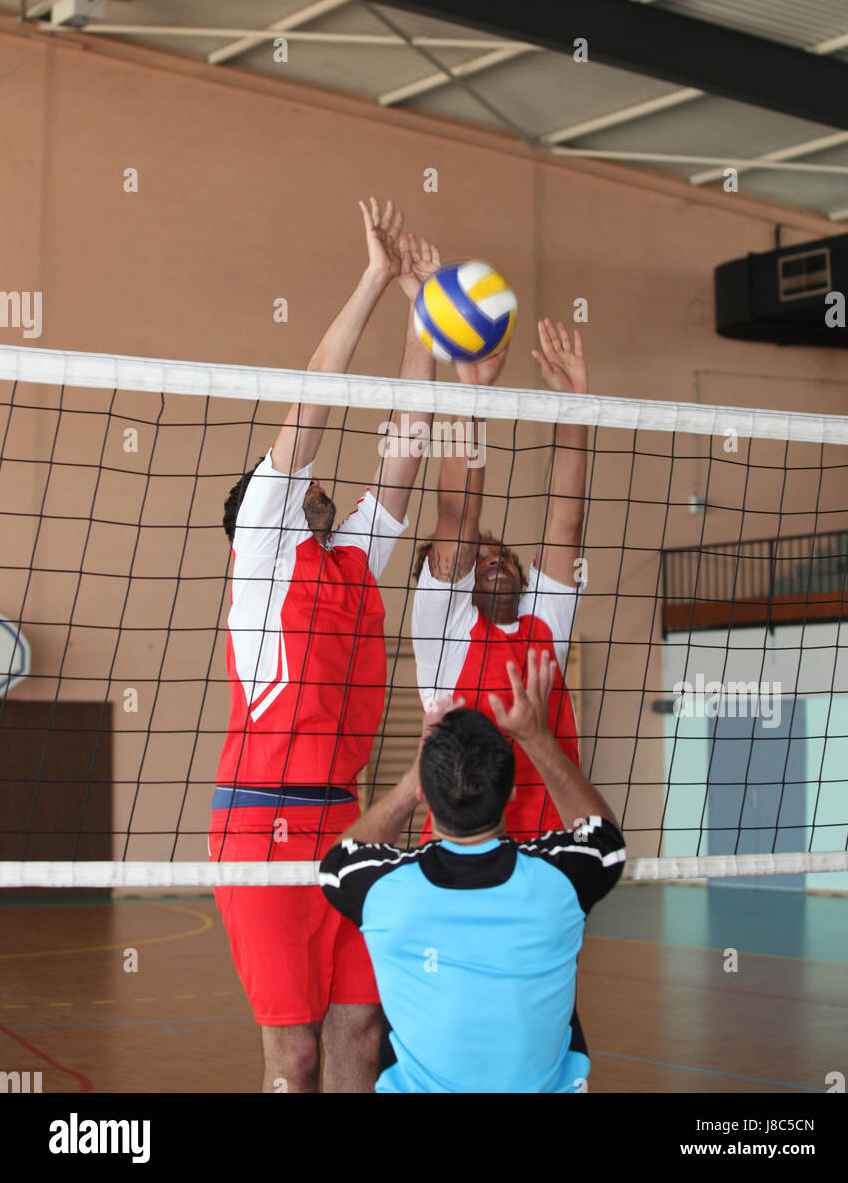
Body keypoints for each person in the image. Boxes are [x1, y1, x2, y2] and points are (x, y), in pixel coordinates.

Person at [210, 198, 437, 1093]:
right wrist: (375, 279)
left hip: (349, 821)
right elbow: (311, 405)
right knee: (294, 1053)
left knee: (361, 1034)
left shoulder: (347, 562)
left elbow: (407, 444)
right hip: (260, 824)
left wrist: (427, 311)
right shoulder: (262, 546)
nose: (311, 483)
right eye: (289, 480)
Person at [319, 650, 625, 1093]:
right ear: (512, 788)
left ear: (427, 792)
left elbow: (339, 861)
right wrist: (537, 739)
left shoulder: (385, 890)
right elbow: (604, 839)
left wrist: (410, 785)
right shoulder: (561, 880)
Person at [411, 320, 588, 839]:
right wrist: (472, 394)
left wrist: (574, 404)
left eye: (505, 555)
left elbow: (566, 520)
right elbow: (458, 512)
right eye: (481, 557)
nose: (496, 560)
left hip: (553, 846)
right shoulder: (444, 630)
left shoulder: (544, 622)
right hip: (461, 848)